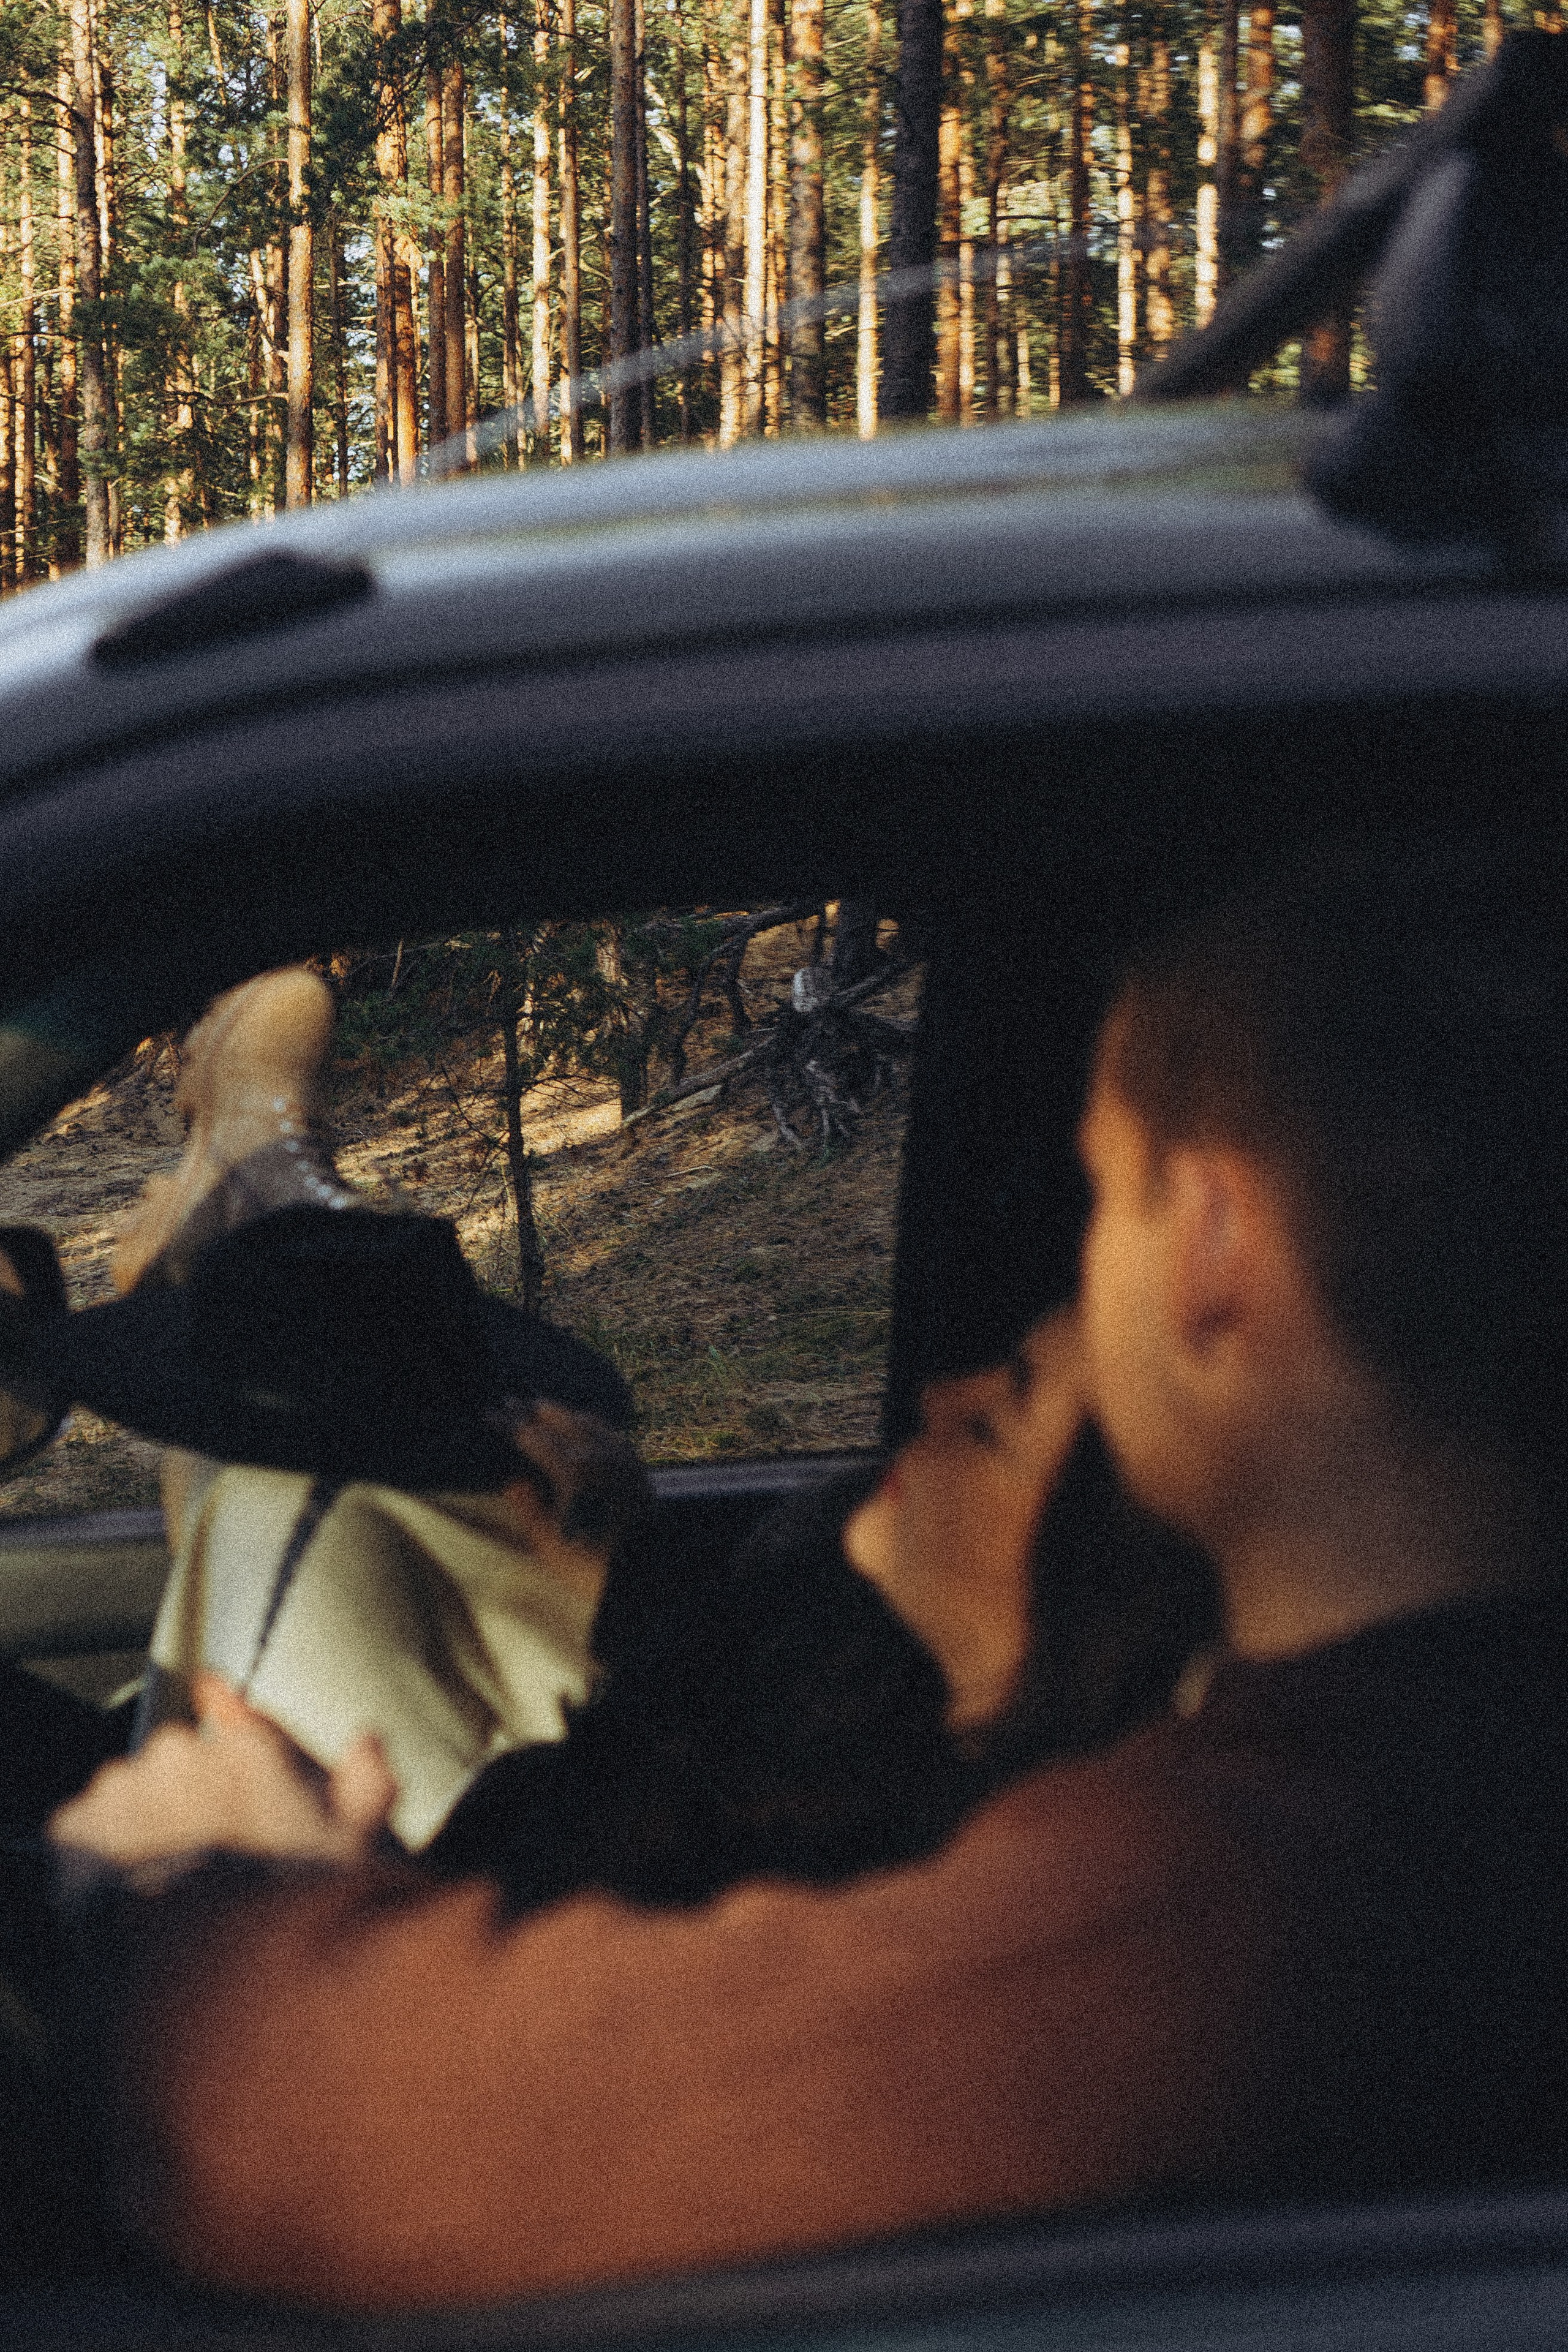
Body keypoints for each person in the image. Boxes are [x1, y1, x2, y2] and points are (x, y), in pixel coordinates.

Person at [51, 840, 1568, 2310]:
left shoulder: (1257, 1896)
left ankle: (250, 1194)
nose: (1042, 1310)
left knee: (282, 1518)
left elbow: (325, 2130)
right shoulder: (1408, 1778)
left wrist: (220, 1882)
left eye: (1102, 1195)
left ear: (1214, 1247)